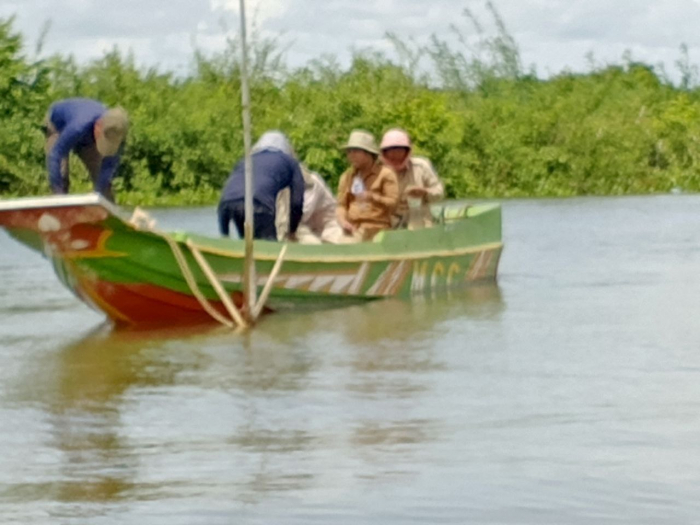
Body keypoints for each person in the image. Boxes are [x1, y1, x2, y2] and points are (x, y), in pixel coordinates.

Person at [218, 131, 304, 241]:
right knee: (269, 246)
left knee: (246, 243)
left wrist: (224, 233)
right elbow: (297, 201)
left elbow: (229, 188)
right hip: (258, 203)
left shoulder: (245, 160)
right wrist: (292, 231)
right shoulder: (290, 162)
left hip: (226, 204)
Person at [44, 98, 128, 202]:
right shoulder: (78, 126)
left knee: (104, 185)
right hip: (58, 128)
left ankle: (108, 210)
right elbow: (56, 154)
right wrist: (57, 189)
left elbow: (108, 165)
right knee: (61, 177)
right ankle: (59, 206)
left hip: (87, 137)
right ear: (98, 127)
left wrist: (98, 194)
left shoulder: (116, 132)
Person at [336, 130, 399, 242]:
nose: (351, 155)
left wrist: (373, 197)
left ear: (368, 153)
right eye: (349, 151)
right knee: (341, 246)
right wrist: (343, 221)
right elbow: (341, 205)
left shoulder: (385, 174)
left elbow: (394, 204)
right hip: (353, 228)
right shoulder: (347, 177)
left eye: (355, 151)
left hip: (379, 229)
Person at [379, 128, 444, 229]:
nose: (395, 155)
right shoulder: (376, 172)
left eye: (399, 151)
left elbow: (439, 193)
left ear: (407, 152)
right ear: (384, 154)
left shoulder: (421, 166)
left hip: (419, 220)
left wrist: (425, 192)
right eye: (391, 152)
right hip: (389, 223)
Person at [276, 166, 344, 244]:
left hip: (325, 229)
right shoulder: (278, 189)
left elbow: (331, 216)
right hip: (300, 229)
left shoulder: (313, 184)